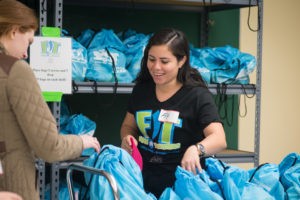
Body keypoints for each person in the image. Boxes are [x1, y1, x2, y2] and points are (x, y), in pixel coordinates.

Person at [0, 0, 101, 199]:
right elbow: (49, 147)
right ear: (13, 31)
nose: (26, 53)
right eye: (28, 41)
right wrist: (82, 141)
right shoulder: (15, 70)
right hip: (14, 186)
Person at [120, 28, 227, 197]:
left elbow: (219, 139)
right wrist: (127, 138)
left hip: (182, 185)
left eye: (164, 61)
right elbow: (128, 126)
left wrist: (196, 149)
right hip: (142, 181)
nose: (156, 67)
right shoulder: (141, 91)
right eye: (151, 59)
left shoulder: (197, 95)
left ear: (181, 61)